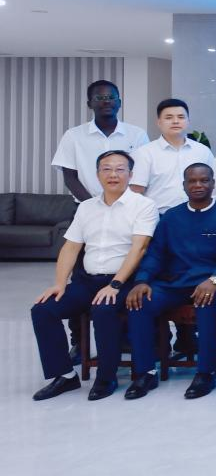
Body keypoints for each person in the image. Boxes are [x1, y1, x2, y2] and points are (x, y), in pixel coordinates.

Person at [30, 151, 158, 401]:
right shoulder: (86, 208)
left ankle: (106, 378)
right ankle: (65, 375)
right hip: (87, 280)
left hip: (124, 281)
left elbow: (139, 248)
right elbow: (71, 247)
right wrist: (59, 284)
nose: (113, 175)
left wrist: (115, 284)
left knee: (103, 309)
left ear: (130, 175)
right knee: (43, 310)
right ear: (98, 175)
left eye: (120, 169)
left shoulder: (144, 205)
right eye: (106, 169)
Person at [123, 163, 216, 400]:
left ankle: (206, 373)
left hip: (210, 283)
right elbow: (156, 253)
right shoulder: (171, 217)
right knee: (140, 303)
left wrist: (214, 280)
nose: (198, 185)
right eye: (192, 181)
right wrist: (142, 280)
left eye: (204, 180)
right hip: (174, 284)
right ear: (184, 185)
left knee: (206, 303)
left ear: (213, 184)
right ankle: (145, 372)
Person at [52, 79, 148, 200]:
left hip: (128, 205)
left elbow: (141, 175)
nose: (106, 101)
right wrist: (93, 205)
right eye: (99, 98)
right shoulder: (73, 136)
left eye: (111, 97)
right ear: (89, 104)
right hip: (85, 205)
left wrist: (124, 203)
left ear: (119, 103)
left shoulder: (137, 135)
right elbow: (70, 178)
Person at [129, 98, 213, 214]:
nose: (175, 121)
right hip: (159, 217)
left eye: (181, 117)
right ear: (159, 122)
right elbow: (136, 192)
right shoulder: (144, 153)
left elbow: (213, 186)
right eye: (169, 117)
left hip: (198, 215)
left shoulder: (203, 151)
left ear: (188, 121)